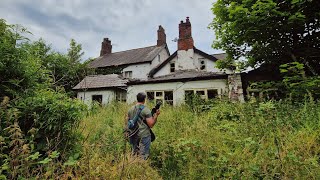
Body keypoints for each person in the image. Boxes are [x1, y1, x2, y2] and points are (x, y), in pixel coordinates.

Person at [126, 92, 160, 160]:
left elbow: (127, 122)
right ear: (144, 99)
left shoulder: (130, 109)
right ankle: (142, 167)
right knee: (143, 156)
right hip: (143, 135)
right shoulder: (145, 110)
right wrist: (156, 116)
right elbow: (151, 124)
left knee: (134, 154)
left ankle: (134, 167)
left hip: (133, 135)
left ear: (137, 99)